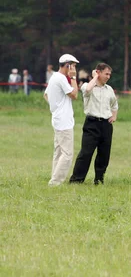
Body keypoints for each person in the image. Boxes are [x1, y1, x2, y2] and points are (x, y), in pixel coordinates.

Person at [69, 63, 119, 185]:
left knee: (104, 154)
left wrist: (114, 115)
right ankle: (77, 180)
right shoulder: (88, 86)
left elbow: (114, 104)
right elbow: (87, 90)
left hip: (106, 125)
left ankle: (99, 179)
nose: (108, 76)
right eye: (106, 73)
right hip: (92, 123)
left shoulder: (109, 89)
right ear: (98, 72)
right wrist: (95, 77)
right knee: (86, 153)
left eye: (109, 74)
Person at [44, 54, 80, 186]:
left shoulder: (54, 77)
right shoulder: (62, 79)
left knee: (58, 152)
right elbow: (75, 94)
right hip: (64, 121)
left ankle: (54, 178)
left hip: (57, 118)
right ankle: (55, 182)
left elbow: (46, 95)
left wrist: (55, 107)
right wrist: (73, 78)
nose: (74, 68)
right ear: (67, 65)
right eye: (73, 66)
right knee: (67, 154)